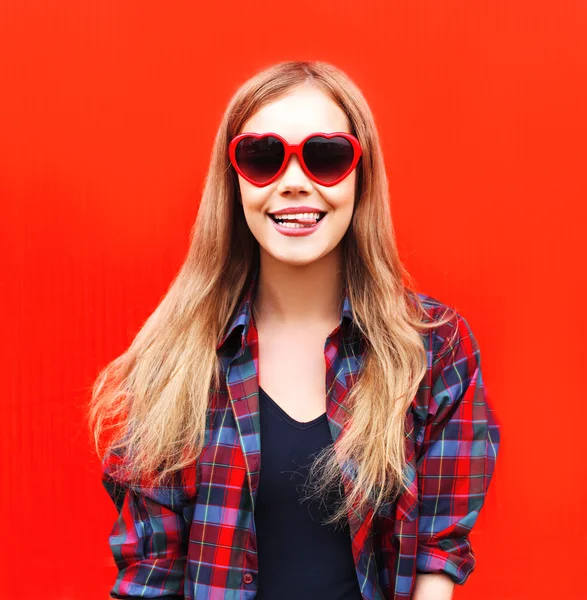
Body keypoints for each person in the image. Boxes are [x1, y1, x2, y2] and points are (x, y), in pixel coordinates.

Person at [89, 60, 500, 600]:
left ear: (361, 175)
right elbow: (151, 575)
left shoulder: (433, 348)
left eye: (325, 156)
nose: (294, 184)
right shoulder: (174, 363)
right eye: (262, 158)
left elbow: (436, 559)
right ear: (234, 181)